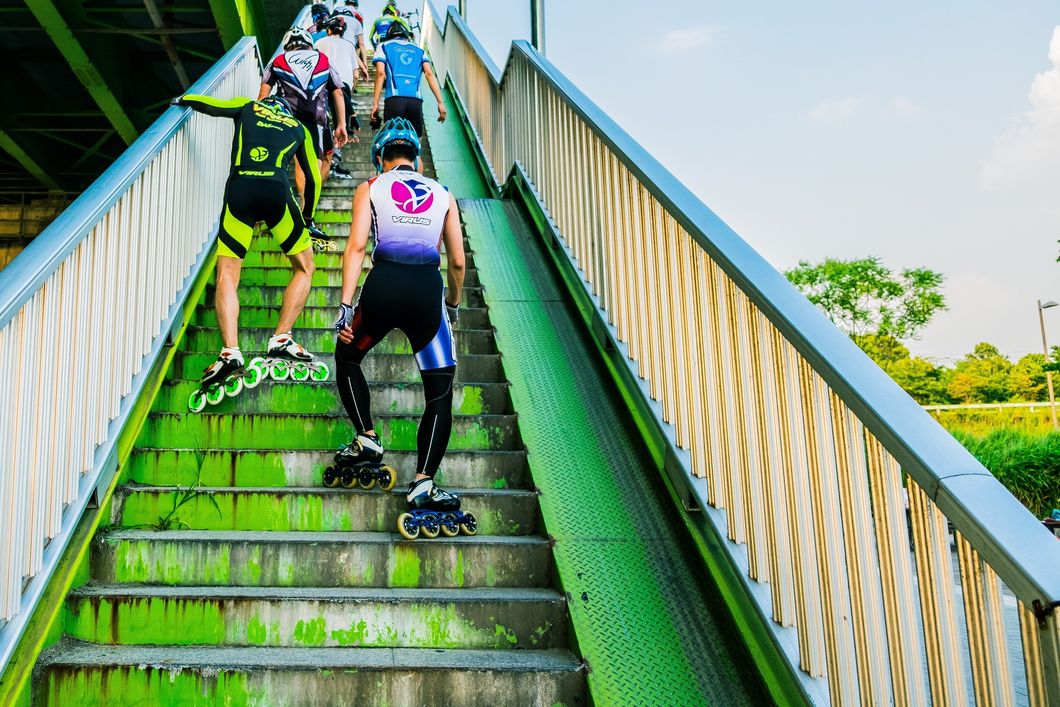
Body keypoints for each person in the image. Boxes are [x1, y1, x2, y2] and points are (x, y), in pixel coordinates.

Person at [334, 118, 467, 518]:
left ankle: (367, 437)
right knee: (439, 392)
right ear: (418, 162)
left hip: (383, 285)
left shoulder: (370, 187)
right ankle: (424, 481)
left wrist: (345, 308)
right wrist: (454, 306)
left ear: (380, 159)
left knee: (348, 357)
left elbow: (357, 248)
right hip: (427, 292)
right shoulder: (443, 193)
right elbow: (457, 263)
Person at [170, 94, 324, 396]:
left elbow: (211, 105)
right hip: (276, 192)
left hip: (240, 189)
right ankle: (281, 339)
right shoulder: (297, 126)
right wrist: (307, 217)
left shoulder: (246, 105)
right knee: (305, 267)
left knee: (227, 272)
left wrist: (182, 98)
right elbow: (313, 178)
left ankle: (230, 352)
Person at [258, 28, 348, 201]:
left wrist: (260, 122)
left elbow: (263, 95)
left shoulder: (278, 60)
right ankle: (307, 206)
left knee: (302, 162)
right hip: (318, 119)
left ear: (287, 45)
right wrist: (342, 124)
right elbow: (338, 92)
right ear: (309, 44)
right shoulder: (323, 59)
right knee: (321, 160)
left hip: (289, 118)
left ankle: (306, 200)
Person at [370, 22, 446, 138]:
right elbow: (429, 74)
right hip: (415, 102)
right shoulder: (419, 50)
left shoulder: (383, 46)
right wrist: (440, 102)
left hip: (394, 99)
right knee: (416, 145)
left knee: (391, 142)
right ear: (406, 36)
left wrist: (375, 103)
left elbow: (381, 73)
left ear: (389, 35)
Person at [316, 14, 368, 158]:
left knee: (324, 119)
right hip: (344, 86)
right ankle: (336, 151)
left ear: (329, 30)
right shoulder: (350, 46)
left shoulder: (320, 42)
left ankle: (323, 151)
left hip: (324, 84)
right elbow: (356, 74)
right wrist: (350, 90)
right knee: (341, 121)